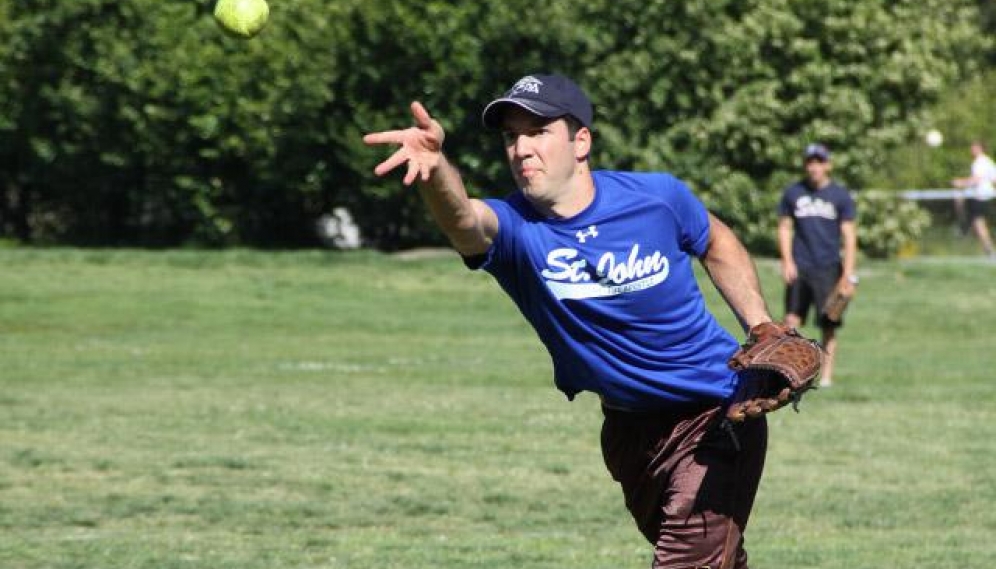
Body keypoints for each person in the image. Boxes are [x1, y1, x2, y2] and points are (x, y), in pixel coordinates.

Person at [364, 73, 786, 569]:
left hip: (715, 413)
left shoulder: (655, 198)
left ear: (580, 140)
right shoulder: (518, 231)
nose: (521, 148)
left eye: (538, 131)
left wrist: (760, 326)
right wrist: (436, 170)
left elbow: (714, 239)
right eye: (510, 136)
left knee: (685, 562)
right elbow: (464, 221)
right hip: (630, 433)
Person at [777, 143, 858, 387]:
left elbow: (850, 236)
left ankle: (826, 377)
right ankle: (792, 375)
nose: (814, 167)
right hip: (800, 266)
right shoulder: (793, 193)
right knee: (791, 321)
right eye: (810, 162)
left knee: (829, 323)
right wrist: (787, 260)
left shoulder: (840, 196)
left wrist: (849, 274)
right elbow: (784, 227)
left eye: (819, 162)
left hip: (829, 267)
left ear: (828, 165)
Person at [951, 141, 996, 258]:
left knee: (978, 222)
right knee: (977, 222)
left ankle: (988, 249)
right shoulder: (988, 161)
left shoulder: (980, 162)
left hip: (980, 196)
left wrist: (960, 182)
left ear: (980, 148)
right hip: (985, 196)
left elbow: (977, 179)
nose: (971, 149)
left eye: (974, 147)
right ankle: (965, 229)